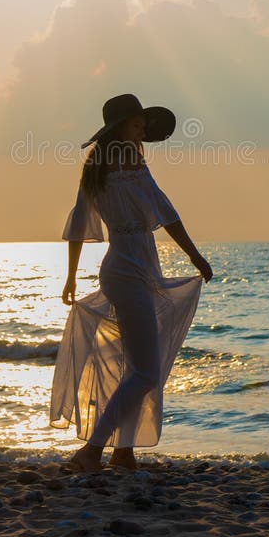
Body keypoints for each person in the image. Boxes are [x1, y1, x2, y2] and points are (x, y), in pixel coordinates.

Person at [49, 93, 213, 473]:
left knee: (137, 366)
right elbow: (165, 211)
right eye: (138, 122)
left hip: (133, 268)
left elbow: (78, 225)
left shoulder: (99, 165)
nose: (143, 129)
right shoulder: (124, 165)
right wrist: (193, 255)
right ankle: (91, 450)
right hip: (126, 271)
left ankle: (123, 451)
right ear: (121, 126)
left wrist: (72, 275)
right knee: (145, 371)